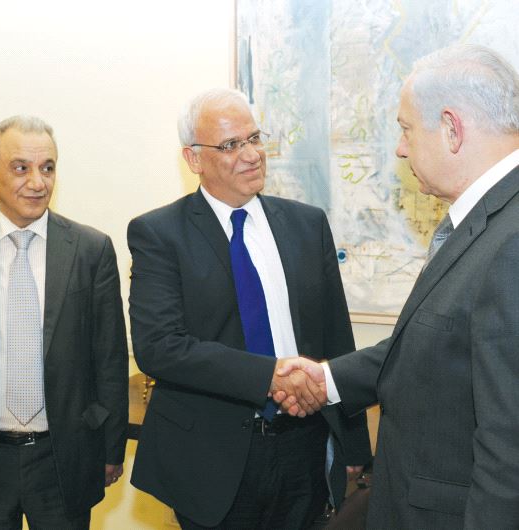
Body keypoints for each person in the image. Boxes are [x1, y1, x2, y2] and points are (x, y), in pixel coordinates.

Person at [276, 44, 519, 528]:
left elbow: (509, 444)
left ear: (452, 128)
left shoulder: (512, 240)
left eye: (407, 129)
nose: (401, 148)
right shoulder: (487, 219)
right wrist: (327, 381)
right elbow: (438, 342)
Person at [127, 88, 372, 529]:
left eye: (254, 138)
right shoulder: (159, 234)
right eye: (230, 145)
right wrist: (269, 376)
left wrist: (354, 448)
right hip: (211, 457)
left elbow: (337, 338)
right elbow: (159, 347)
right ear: (194, 158)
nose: (251, 154)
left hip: (305, 447)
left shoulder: (306, 224)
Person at [0, 115, 128, 529]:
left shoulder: (91, 250)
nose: (37, 181)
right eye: (21, 168)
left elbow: (110, 361)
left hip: (64, 456)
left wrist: (109, 449)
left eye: (47, 167)